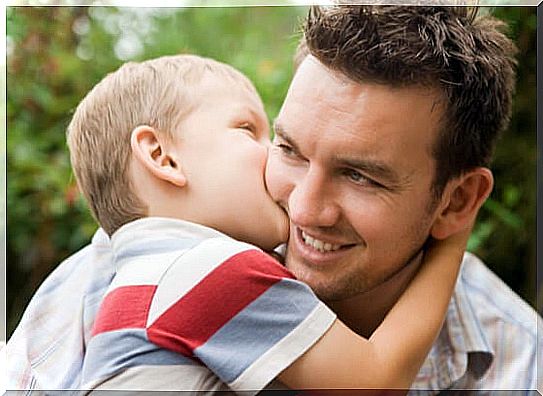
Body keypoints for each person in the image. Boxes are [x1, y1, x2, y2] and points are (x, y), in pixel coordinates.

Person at [6, 5, 542, 394]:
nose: (305, 210)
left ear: (457, 202)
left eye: (360, 176)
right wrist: (450, 249)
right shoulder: (91, 285)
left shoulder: (522, 366)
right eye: (288, 148)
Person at [68, 53, 466, 392]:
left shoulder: (129, 281)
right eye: (248, 130)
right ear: (162, 156)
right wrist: (451, 240)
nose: (270, 158)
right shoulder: (208, 270)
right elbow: (374, 381)